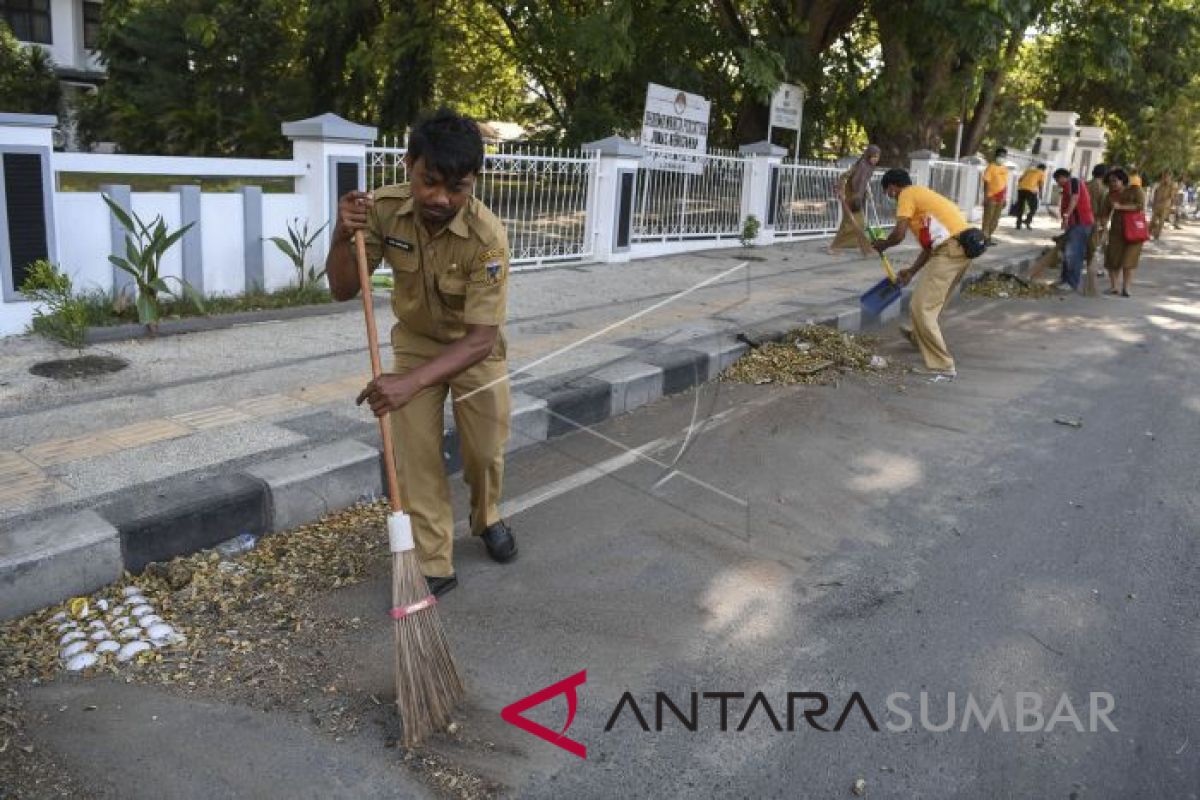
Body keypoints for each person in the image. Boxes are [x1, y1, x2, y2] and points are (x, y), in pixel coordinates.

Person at [325, 108, 517, 598]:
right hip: (415, 343)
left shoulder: (487, 237)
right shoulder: (382, 210)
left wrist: (407, 383)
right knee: (416, 454)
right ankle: (433, 561)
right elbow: (344, 289)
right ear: (409, 164)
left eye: (458, 188)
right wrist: (341, 236)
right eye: (430, 181)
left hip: (476, 349)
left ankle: (486, 515)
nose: (441, 199)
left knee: (484, 451)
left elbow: (479, 340)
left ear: (473, 182)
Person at [874, 169, 973, 381]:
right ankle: (919, 338)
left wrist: (883, 244)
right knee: (933, 304)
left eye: (888, 192)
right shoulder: (922, 199)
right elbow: (929, 249)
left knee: (920, 307)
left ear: (893, 186)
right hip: (961, 250)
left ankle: (943, 366)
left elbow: (898, 235)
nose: (890, 197)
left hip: (951, 250)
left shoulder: (907, 194)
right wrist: (911, 272)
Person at [828, 144, 882, 256]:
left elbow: (862, 183)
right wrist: (841, 189)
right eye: (874, 156)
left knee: (856, 223)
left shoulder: (869, 167)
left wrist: (865, 193)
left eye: (877, 157)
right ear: (868, 155)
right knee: (851, 223)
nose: (876, 159)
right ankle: (834, 247)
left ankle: (861, 247)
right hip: (849, 196)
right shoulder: (860, 165)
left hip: (856, 198)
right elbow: (844, 176)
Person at [1101, 167, 1147, 297]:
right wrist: (1103, 227)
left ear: (1123, 180)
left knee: (1129, 261)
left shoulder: (1135, 190)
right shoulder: (1110, 195)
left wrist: (1122, 207)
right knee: (1112, 260)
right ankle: (1114, 286)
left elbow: (1140, 206)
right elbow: (1105, 213)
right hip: (1116, 232)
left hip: (1134, 231)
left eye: (1115, 181)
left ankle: (1126, 288)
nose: (1112, 184)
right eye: (1110, 181)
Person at [1051, 168, 1094, 291]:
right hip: (1073, 224)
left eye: (1057, 180)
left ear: (1062, 177)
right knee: (1067, 253)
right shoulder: (1066, 187)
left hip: (1081, 224)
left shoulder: (1074, 182)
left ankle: (1072, 283)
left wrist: (1066, 216)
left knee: (1074, 254)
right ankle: (1064, 279)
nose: (1057, 183)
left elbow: (1075, 198)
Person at [981, 147, 1010, 245]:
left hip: (1001, 197)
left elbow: (1005, 184)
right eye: (1000, 156)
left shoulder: (1005, 168)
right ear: (996, 156)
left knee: (995, 220)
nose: (1002, 158)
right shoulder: (991, 167)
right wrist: (985, 197)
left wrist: (1005, 198)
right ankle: (984, 238)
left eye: (1003, 156)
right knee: (987, 219)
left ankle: (988, 237)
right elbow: (986, 182)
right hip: (991, 197)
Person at [1014, 163, 1045, 229]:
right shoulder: (1041, 173)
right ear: (1043, 169)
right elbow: (1040, 184)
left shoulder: (1028, 170)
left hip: (1021, 189)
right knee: (1034, 207)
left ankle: (1018, 223)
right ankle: (1027, 221)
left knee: (1020, 206)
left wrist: (1021, 186)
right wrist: (1040, 194)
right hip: (1031, 191)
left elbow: (1020, 179)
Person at [1149, 170, 1175, 240]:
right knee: (1153, 221)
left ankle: (1156, 236)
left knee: (1161, 222)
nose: (1165, 177)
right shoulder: (1159, 184)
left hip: (1165, 206)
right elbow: (1155, 194)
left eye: (1167, 176)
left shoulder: (1172, 185)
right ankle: (1148, 233)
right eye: (1164, 176)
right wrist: (1153, 203)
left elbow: (1172, 197)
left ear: (1170, 177)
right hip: (1157, 205)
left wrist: (1172, 206)